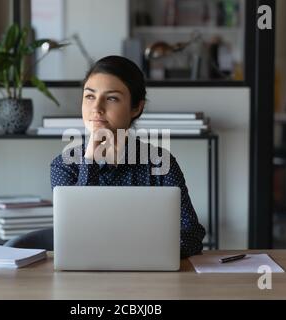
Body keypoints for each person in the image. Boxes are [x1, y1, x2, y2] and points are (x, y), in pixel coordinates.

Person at [50, 55, 205, 258]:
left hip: (150, 276)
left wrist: (147, 254)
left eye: (112, 98)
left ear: (136, 108)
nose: (96, 108)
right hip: (85, 278)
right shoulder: (64, 166)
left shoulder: (160, 162)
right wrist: (90, 159)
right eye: (89, 96)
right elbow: (75, 233)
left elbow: (192, 234)